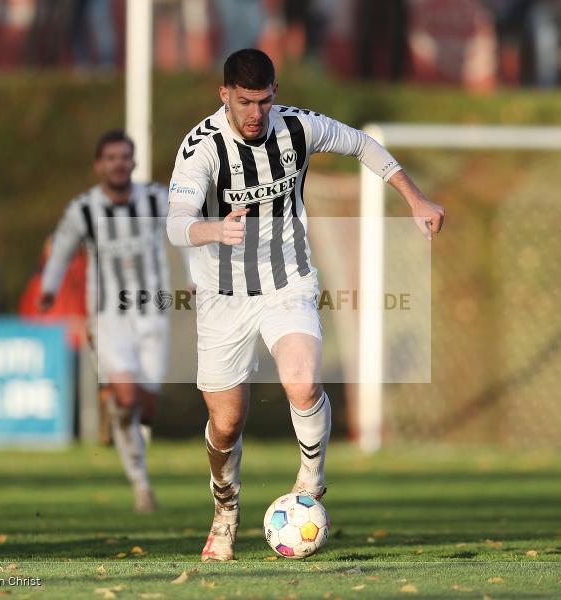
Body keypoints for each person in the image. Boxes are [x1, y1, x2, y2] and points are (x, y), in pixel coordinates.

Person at [166, 48, 445, 561]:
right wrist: (214, 229)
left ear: (276, 94)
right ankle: (225, 512)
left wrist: (415, 197)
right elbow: (176, 221)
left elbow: (363, 145)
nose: (255, 113)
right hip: (221, 297)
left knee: (301, 381)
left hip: (287, 282)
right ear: (224, 94)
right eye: (245, 102)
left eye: (264, 101)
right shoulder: (201, 147)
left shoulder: (298, 127)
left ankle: (311, 478)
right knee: (226, 424)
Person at [40, 130, 174, 513]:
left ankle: (113, 405)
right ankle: (141, 485)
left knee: (145, 408)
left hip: (153, 313)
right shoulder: (83, 208)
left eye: (124, 156)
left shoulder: (156, 198)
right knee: (128, 397)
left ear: (133, 162)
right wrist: (49, 288)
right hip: (109, 316)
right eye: (111, 157)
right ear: (99, 165)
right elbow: (63, 247)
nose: (118, 163)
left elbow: (187, 229)